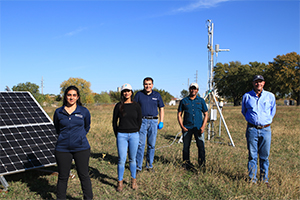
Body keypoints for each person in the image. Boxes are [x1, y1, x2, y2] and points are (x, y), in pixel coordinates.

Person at [53, 85, 93, 200]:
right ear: (65, 96)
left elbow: (87, 126)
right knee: (62, 177)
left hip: (81, 148)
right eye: (69, 95)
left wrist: (79, 137)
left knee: (84, 175)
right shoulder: (58, 112)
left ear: (78, 97)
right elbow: (57, 128)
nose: (71, 97)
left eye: (74, 95)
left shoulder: (84, 111)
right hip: (62, 149)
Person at [242, 75, 276, 187]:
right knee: (252, 155)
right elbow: (244, 111)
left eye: (260, 82)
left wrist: (266, 121)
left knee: (264, 156)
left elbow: (272, 111)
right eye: (256, 82)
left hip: (266, 129)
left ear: (264, 83)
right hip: (252, 129)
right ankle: (252, 179)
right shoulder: (247, 96)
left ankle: (264, 179)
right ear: (253, 83)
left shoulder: (270, 96)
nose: (258, 84)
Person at [112, 83, 142, 192]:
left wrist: (135, 131)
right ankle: (120, 182)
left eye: (128, 91)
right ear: (122, 93)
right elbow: (114, 122)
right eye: (125, 91)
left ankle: (133, 180)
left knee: (133, 159)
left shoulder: (136, 106)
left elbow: (139, 120)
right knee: (121, 159)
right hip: (122, 135)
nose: (126, 93)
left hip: (134, 134)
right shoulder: (118, 106)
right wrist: (118, 134)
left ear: (131, 92)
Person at [134, 77, 165, 173]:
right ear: (143, 85)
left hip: (153, 122)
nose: (148, 86)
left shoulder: (157, 95)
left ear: (152, 85)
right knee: (140, 145)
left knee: (151, 145)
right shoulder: (139, 95)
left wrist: (161, 121)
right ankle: (138, 166)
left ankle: (149, 165)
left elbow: (161, 108)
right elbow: (134, 108)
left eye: (149, 84)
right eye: (146, 84)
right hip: (142, 122)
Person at [177, 83, 208, 171]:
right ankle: (186, 164)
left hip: (198, 128)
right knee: (186, 147)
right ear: (189, 89)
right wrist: (182, 126)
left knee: (201, 146)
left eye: (195, 89)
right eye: (191, 88)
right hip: (187, 127)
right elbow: (179, 114)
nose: (193, 90)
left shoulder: (201, 101)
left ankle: (202, 165)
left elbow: (206, 114)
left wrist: (203, 127)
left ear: (197, 90)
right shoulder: (184, 101)